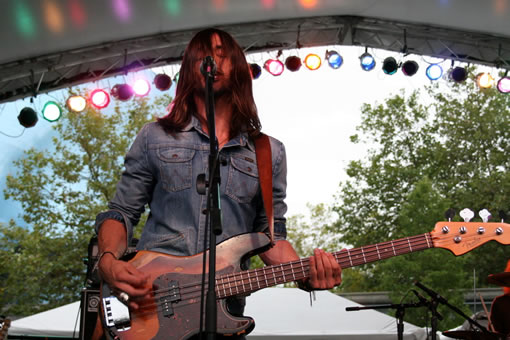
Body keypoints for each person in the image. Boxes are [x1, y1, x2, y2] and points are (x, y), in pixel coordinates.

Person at [94, 28, 342, 339]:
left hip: (226, 309)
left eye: (223, 54)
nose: (214, 60)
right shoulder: (154, 136)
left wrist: (306, 273)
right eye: (205, 55)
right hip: (150, 299)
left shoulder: (269, 152)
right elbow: (120, 213)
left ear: (238, 65)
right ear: (190, 68)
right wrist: (108, 262)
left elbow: (272, 237)